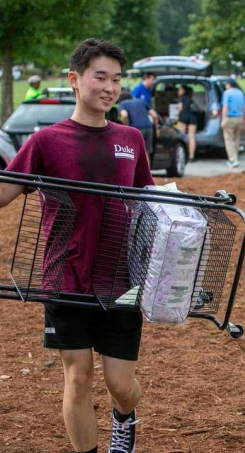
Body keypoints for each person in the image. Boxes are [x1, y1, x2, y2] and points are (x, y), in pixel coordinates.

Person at [0, 38, 154, 453]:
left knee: (121, 384)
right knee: (78, 376)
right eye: (100, 76)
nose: (109, 87)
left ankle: (125, 416)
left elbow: (152, 204)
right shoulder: (46, 142)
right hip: (64, 275)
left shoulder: (131, 139)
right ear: (75, 79)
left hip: (122, 278)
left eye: (116, 79)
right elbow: (4, 193)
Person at [118, 90, 157, 157]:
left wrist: (126, 127)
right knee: (145, 152)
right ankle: (146, 167)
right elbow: (154, 115)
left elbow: (124, 115)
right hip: (148, 128)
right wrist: (156, 129)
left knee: (134, 151)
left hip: (136, 129)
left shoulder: (122, 104)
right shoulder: (142, 101)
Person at [220, 77, 245, 168]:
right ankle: (236, 158)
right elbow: (244, 108)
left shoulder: (227, 93)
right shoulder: (240, 93)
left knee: (229, 139)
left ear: (229, 85)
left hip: (230, 117)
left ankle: (233, 160)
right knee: (236, 139)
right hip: (239, 118)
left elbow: (225, 106)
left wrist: (223, 119)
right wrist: (243, 120)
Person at [177, 85, 199, 162]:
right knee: (191, 137)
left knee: (181, 137)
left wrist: (177, 116)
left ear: (183, 91)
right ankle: (191, 156)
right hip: (192, 117)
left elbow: (180, 108)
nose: (178, 91)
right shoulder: (191, 99)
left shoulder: (181, 97)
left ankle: (182, 154)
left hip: (183, 116)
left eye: (179, 90)